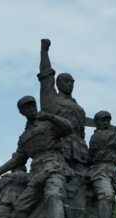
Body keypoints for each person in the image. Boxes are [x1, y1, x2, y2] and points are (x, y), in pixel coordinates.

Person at [0, 96, 73, 218]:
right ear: (22, 112)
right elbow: (19, 158)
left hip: (54, 165)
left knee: (54, 194)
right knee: (21, 207)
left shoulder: (48, 124)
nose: (31, 109)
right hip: (36, 173)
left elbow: (68, 128)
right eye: (27, 107)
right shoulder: (24, 137)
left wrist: (50, 117)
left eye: (33, 105)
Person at [38, 38, 91, 204]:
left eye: (72, 82)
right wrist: (44, 51)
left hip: (80, 149)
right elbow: (46, 76)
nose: (70, 84)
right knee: (60, 179)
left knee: (81, 183)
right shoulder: (52, 99)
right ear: (59, 83)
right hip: (60, 144)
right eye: (66, 81)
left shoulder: (76, 105)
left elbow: (85, 122)